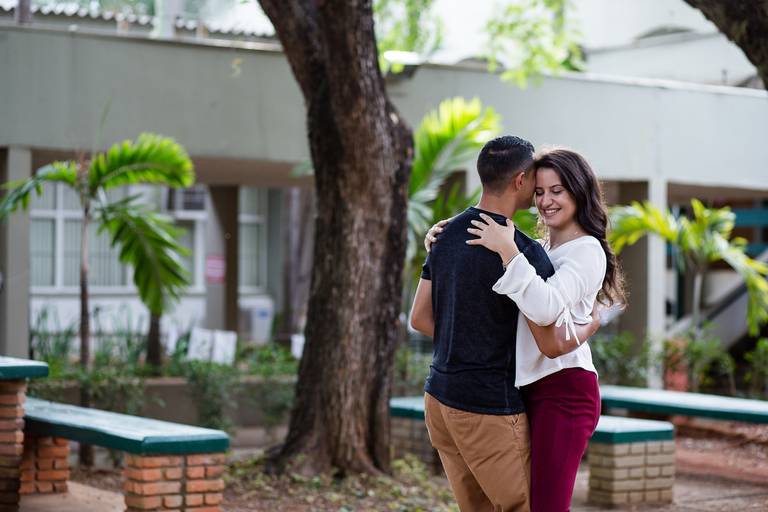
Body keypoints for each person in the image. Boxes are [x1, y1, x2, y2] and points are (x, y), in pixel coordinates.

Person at [426, 147, 625, 512]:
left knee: (546, 507)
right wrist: (440, 247)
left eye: (557, 190)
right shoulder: (542, 247)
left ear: (579, 191)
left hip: (564, 391)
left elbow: (546, 307)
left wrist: (509, 254)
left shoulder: (586, 250)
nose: (546, 201)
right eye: (539, 191)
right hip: (523, 389)